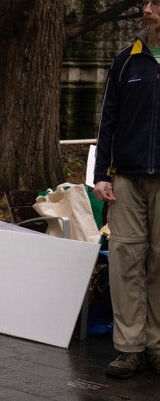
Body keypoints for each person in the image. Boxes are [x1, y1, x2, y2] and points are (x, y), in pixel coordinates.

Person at [94, 1, 160, 380]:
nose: (146, 9)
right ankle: (129, 348)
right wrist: (101, 174)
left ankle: (157, 344)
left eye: (155, 3)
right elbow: (108, 121)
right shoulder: (126, 59)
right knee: (125, 263)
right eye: (144, 3)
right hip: (126, 180)